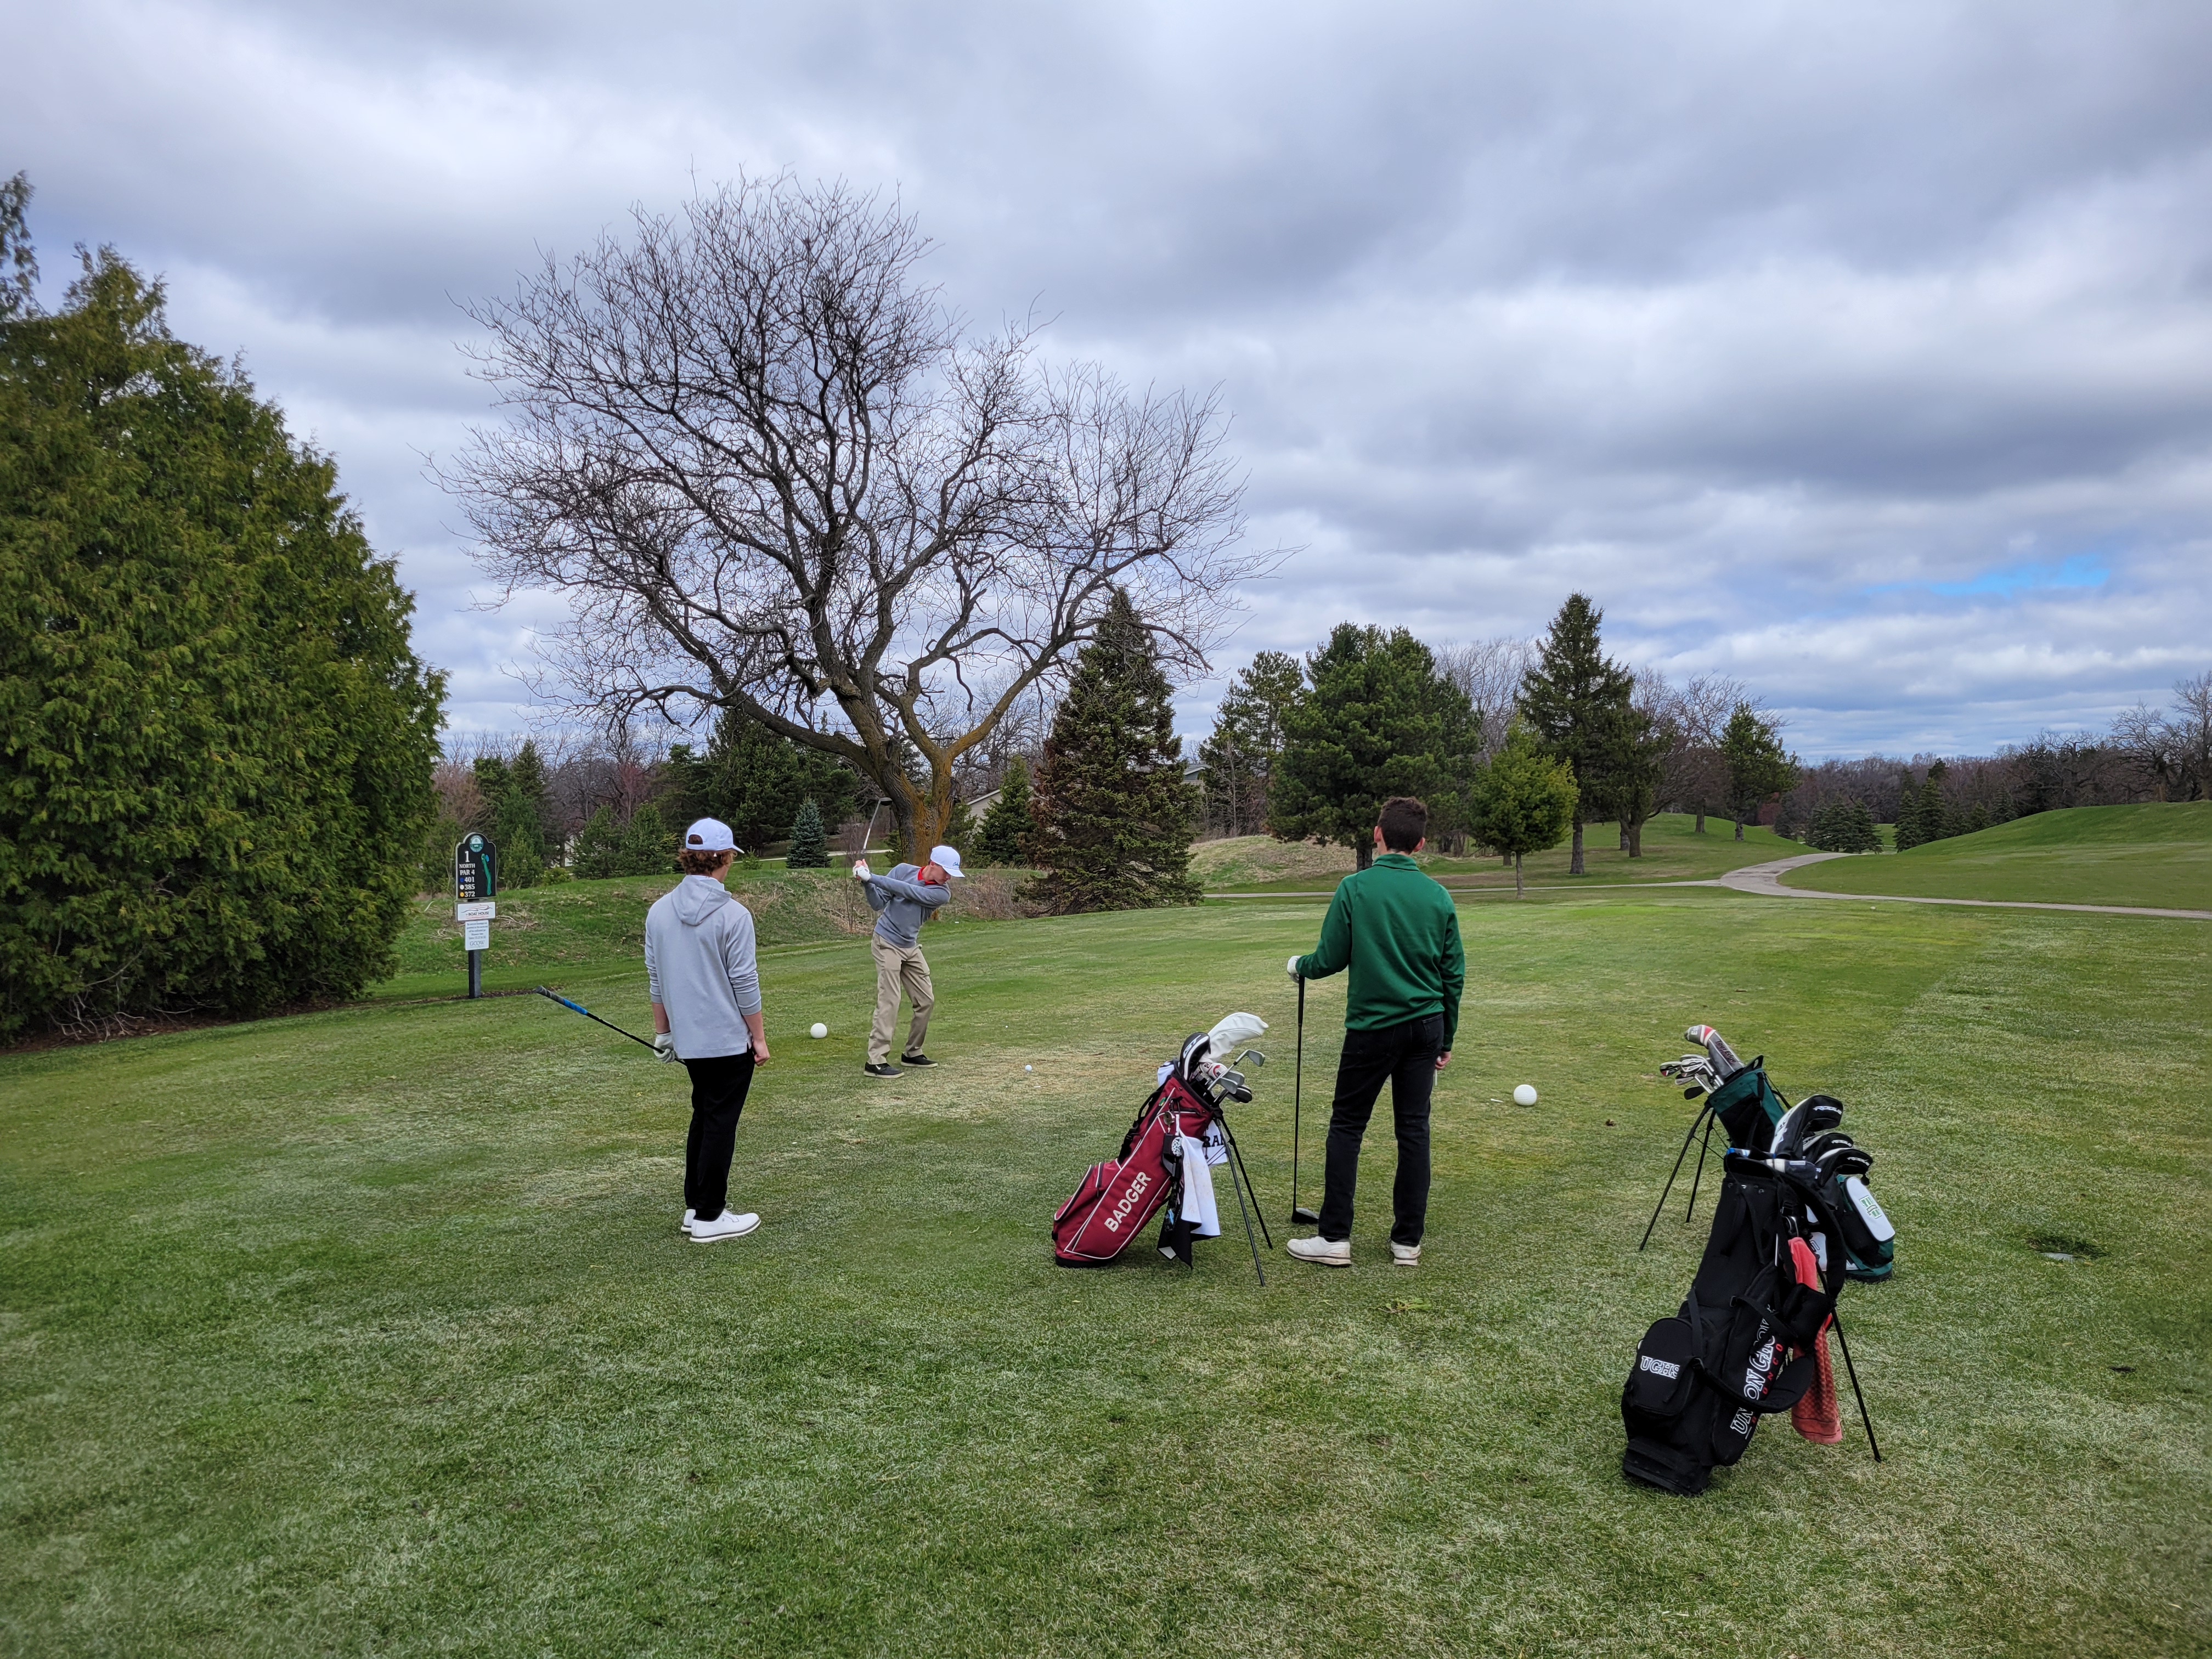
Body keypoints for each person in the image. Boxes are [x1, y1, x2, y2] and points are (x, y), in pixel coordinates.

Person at [1284, 796, 1465, 1269]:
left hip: (1372, 1029)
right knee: (1413, 1130)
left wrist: (1297, 966)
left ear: (1377, 833)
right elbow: (1453, 974)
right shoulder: (1439, 896)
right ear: (1422, 844)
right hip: (1426, 1027)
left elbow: (1328, 959)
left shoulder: (1355, 888)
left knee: (1347, 1125)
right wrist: (1446, 1037)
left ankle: (1335, 1238)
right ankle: (1407, 1242)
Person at [645, 817, 771, 1244]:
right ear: (725, 858)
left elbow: (656, 979)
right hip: (725, 1039)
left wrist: (664, 1033)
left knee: (704, 1115)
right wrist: (758, 1036)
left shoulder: (658, 911)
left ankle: (694, 1207)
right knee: (719, 1122)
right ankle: (710, 1216)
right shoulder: (734, 915)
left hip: (688, 1042)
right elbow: (745, 983)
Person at [854, 842, 963, 1077]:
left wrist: (872, 877)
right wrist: (866, 883)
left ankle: (912, 1052)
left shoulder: (941, 893)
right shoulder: (903, 869)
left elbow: (907, 892)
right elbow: (877, 903)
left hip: (910, 946)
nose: (949, 878)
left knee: (926, 1000)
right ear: (932, 864)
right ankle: (875, 1061)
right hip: (886, 943)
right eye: (946, 872)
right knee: (890, 1000)